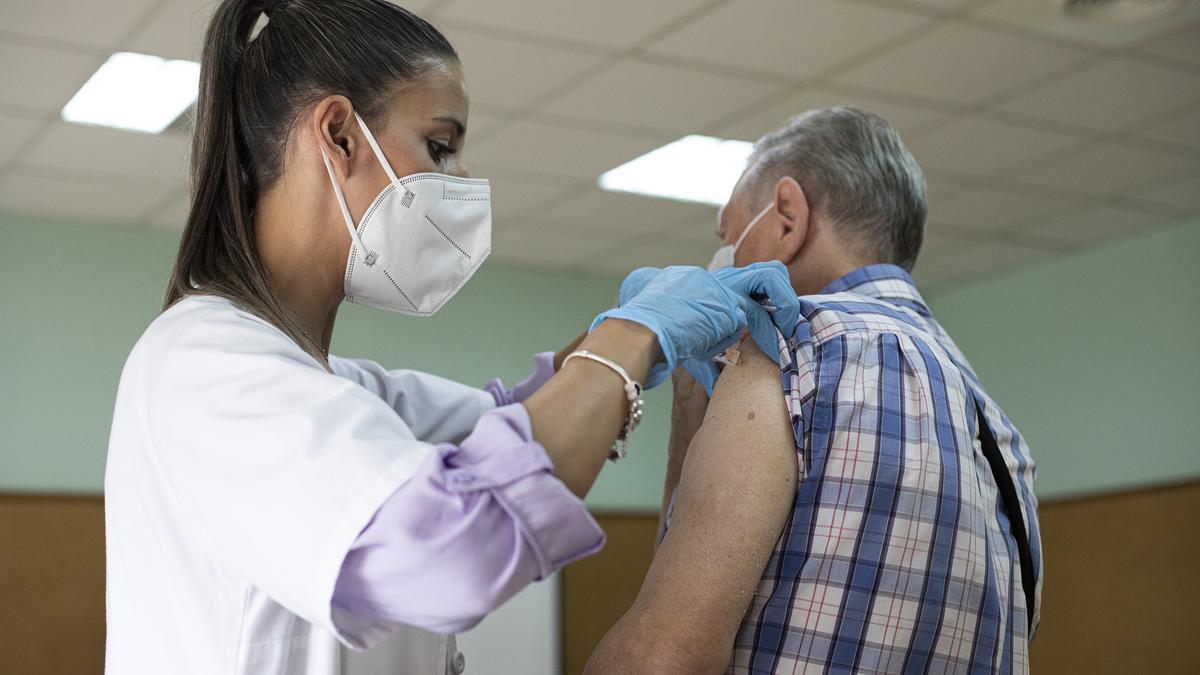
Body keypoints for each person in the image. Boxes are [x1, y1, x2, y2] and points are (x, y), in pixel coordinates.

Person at [102, 1, 800, 673]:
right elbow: (456, 544)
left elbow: (502, 430)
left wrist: (616, 337)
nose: (460, 179)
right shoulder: (203, 368)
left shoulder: (337, 386)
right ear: (340, 135)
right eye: (440, 146)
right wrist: (630, 338)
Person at [587, 107, 1043, 674]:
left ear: (786, 217)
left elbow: (663, 657)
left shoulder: (789, 344)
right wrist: (692, 388)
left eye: (729, 234)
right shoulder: (998, 434)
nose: (723, 258)